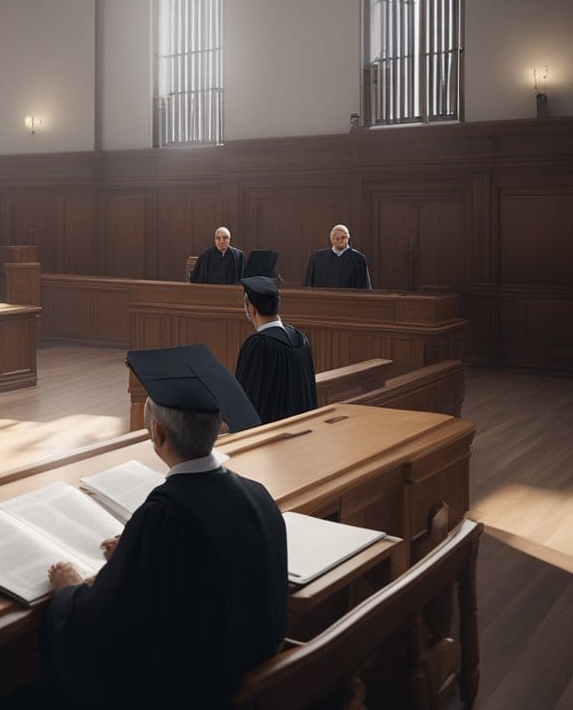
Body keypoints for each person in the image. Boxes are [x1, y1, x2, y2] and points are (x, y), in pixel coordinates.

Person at [43, 345, 287, 709]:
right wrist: (131, 552)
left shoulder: (163, 517)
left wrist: (69, 591)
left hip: (196, 692)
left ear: (157, 434)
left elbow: (97, 623)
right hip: (250, 666)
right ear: (215, 431)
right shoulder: (258, 494)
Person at [235, 276, 318, 424]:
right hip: (304, 431)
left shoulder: (259, 345)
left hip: (270, 438)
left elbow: (245, 401)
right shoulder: (300, 338)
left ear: (251, 308)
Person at [303, 224, 372, 289]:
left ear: (348, 238)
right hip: (324, 299)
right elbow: (308, 285)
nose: (340, 241)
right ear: (331, 239)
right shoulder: (318, 258)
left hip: (349, 300)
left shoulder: (358, 259)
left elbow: (365, 286)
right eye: (337, 238)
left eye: (343, 237)